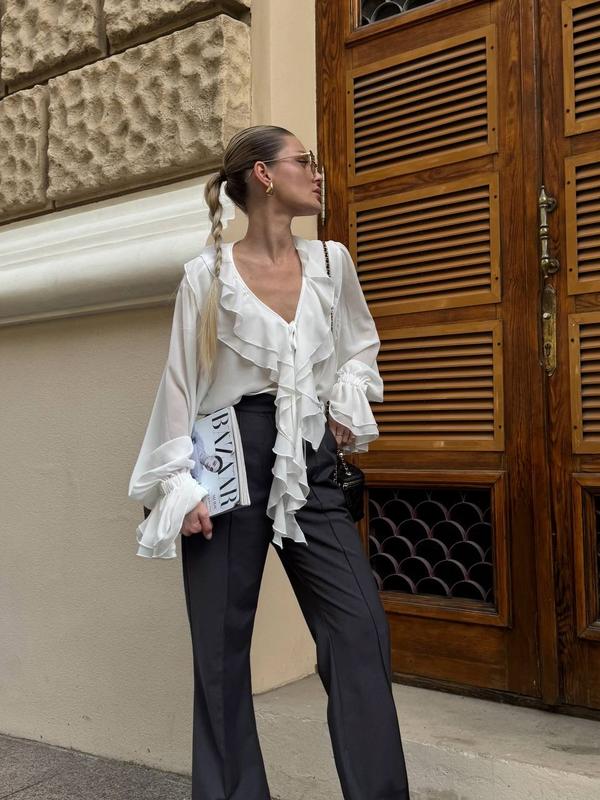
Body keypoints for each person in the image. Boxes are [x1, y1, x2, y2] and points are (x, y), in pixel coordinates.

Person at [128, 124, 410, 800]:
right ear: (262, 174)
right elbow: (180, 385)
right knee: (221, 652)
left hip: (309, 456)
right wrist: (180, 484)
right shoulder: (207, 276)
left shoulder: (332, 262)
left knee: (359, 628)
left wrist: (343, 403)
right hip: (229, 457)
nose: (316, 172)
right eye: (303, 161)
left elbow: (360, 345)